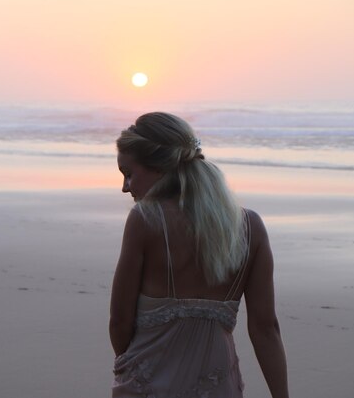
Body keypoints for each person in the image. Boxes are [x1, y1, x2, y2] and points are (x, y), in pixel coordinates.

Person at [110, 112, 289, 398]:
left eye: (128, 173)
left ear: (159, 167)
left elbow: (120, 321)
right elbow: (266, 328)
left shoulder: (145, 220)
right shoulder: (250, 226)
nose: (125, 187)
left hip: (147, 385)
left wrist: (131, 366)